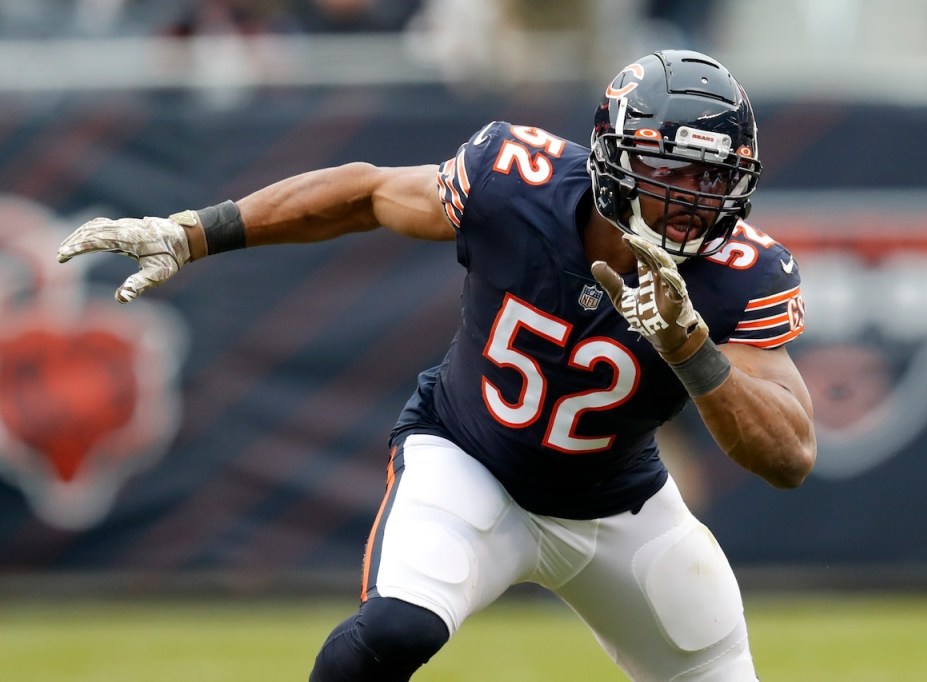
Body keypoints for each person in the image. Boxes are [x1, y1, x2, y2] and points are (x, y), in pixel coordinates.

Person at [57, 50, 816, 682]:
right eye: (671, 169)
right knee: (393, 632)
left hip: (620, 506)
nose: (694, 199)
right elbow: (367, 193)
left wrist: (690, 348)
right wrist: (195, 232)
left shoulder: (740, 273)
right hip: (470, 461)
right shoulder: (516, 183)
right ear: (613, 156)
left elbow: (789, 457)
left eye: (714, 178)